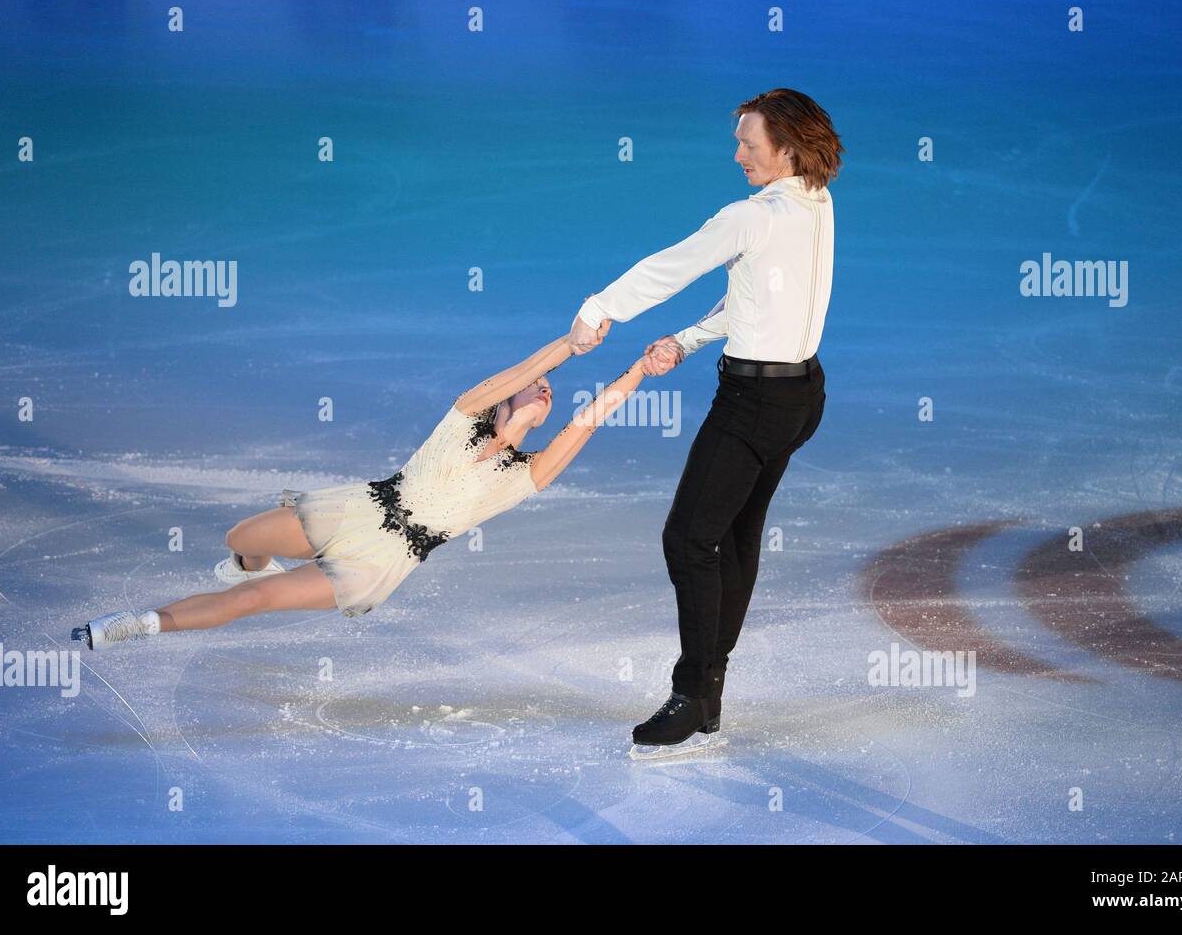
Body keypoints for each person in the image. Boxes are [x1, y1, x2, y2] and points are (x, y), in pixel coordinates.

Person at [72, 320, 650, 649]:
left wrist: (639, 371)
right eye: (537, 386)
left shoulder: (526, 474)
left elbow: (587, 421)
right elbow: (522, 371)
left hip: (381, 558)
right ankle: (253, 560)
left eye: (550, 390)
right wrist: (568, 349)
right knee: (238, 537)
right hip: (357, 510)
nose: (545, 390)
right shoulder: (464, 414)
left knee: (249, 601)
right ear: (507, 394)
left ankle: (136, 624)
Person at [569, 88, 843, 754]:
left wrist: (599, 307)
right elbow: (754, 298)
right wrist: (687, 341)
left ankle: (693, 693)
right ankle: (710, 690)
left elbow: (673, 264)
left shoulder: (750, 217)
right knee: (735, 538)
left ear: (786, 146)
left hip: (754, 405)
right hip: (801, 395)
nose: (738, 153)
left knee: (689, 540)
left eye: (749, 143)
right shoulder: (815, 203)